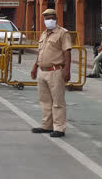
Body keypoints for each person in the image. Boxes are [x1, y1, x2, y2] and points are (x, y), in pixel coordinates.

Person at [30, 8, 72, 137]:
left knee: (58, 101)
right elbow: (41, 52)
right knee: (45, 100)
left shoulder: (62, 33)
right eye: (47, 18)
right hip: (42, 71)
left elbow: (67, 52)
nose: (50, 20)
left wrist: (67, 70)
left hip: (56, 71)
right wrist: (35, 67)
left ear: (56, 19)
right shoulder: (43, 34)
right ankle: (47, 126)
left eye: (52, 18)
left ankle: (59, 128)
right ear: (44, 20)